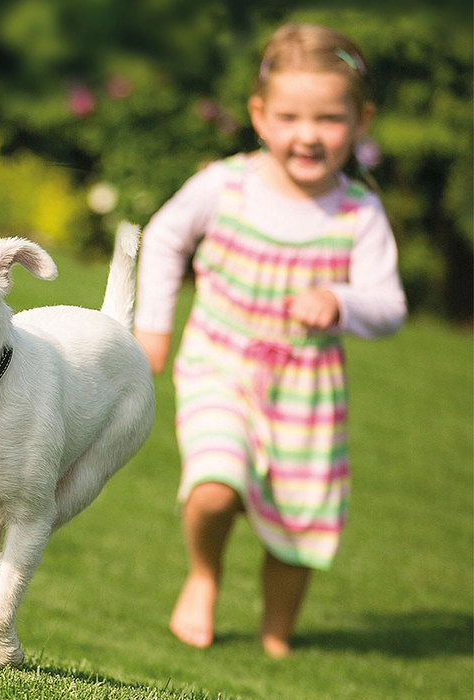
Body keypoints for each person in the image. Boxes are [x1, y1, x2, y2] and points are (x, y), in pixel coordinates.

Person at [133, 22, 407, 658]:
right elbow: (167, 235)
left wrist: (341, 301)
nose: (307, 135)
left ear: (361, 120)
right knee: (214, 484)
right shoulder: (225, 186)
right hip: (219, 363)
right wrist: (154, 325)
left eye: (329, 119)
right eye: (288, 116)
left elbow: (390, 307)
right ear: (259, 115)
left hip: (306, 391)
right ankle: (204, 574)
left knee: (296, 522)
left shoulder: (358, 213)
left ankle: (277, 630)